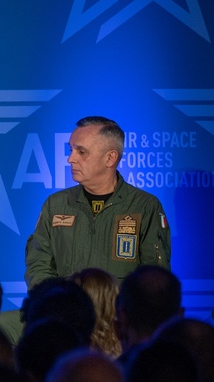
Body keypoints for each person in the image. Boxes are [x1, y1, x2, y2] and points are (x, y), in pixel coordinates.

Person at [24, 116, 170, 289]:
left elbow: (154, 277)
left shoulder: (144, 207)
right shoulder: (55, 205)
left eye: (81, 151)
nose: (70, 159)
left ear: (110, 158)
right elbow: (38, 265)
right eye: (71, 150)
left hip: (119, 314)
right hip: (67, 312)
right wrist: (58, 303)